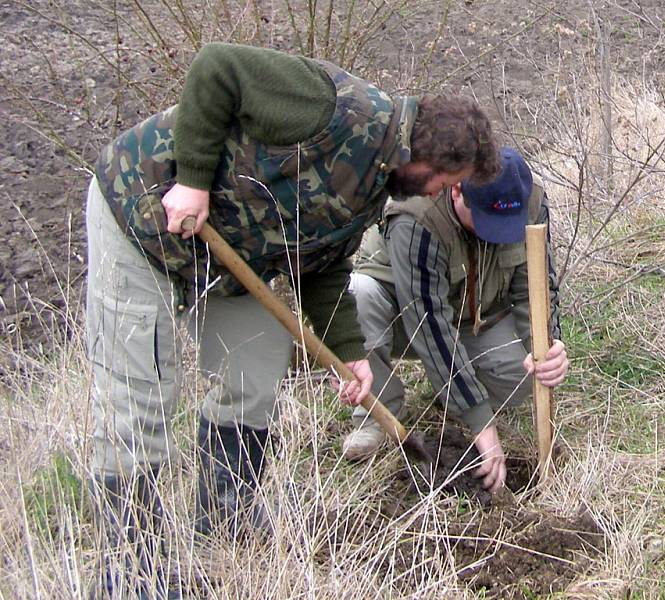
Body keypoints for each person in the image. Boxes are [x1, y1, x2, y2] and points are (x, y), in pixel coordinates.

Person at [86, 42, 498, 598]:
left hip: (234, 255)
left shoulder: (377, 184)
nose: (445, 194)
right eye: (449, 181)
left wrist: (349, 351)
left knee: (252, 380)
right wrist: (194, 179)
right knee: (141, 401)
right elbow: (216, 67)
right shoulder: (333, 108)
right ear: (428, 157)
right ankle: (132, 571)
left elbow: (324, 262)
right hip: (141, 215)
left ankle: (227, 523)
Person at [343, 147, 568, 493]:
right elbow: (429, 324)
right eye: (486, 220)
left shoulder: (526, 197)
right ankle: (377, 414)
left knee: (525, 371)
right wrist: (483, 428)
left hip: (476, 319)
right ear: (457, 190)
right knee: (358, 294)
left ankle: (455, 395)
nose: (496, 234)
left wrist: (549, 345)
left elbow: (535, 286)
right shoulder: (416, 216)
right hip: (405, 316)